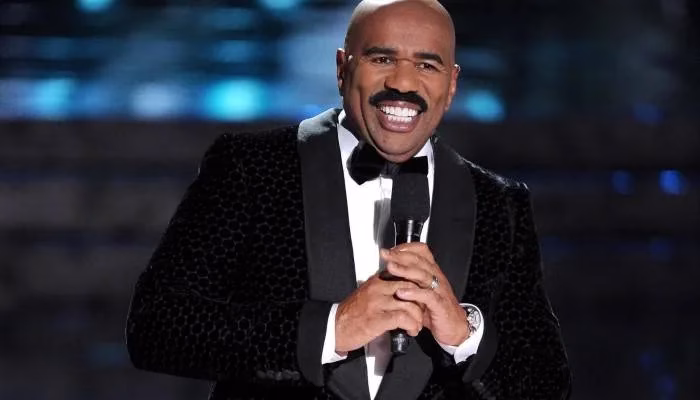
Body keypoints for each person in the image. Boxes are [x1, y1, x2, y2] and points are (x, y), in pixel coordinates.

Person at [125, 0, 572, 399]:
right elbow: (157, 327)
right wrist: (329, 330)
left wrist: (464, 334)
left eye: (426, 65)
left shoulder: (498, 203)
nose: (403, 82)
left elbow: (547, 384)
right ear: (343, 68)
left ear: (451, 84)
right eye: (382, 59)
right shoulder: (250, 168)